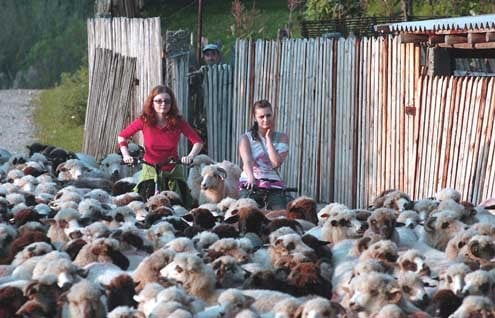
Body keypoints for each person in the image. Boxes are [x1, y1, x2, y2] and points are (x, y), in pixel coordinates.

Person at [118, 85, 203, 208]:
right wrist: (126, 155)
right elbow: (122, 136)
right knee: (143, 204)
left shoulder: (178, 122)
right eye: (159, 101)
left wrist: (190, 156)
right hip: (150, 169)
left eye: (167, 101)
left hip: (172, 170)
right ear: (152, 103)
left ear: (171, 103)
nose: (163, 104)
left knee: (181, 205)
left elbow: (198, 142)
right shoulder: (144, 121)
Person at [238, 100, 290, 210]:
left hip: (273, 185)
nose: (266, 119)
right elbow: (247, 161)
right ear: (255, 118)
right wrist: (251, 178)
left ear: (273, 115)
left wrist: (268, 139)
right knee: (245, 213)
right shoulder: (246, 138)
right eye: (261, 117)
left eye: (268, 115)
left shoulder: (282, 137)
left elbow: (276, 163)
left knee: (280, 216)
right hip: (251, 184)